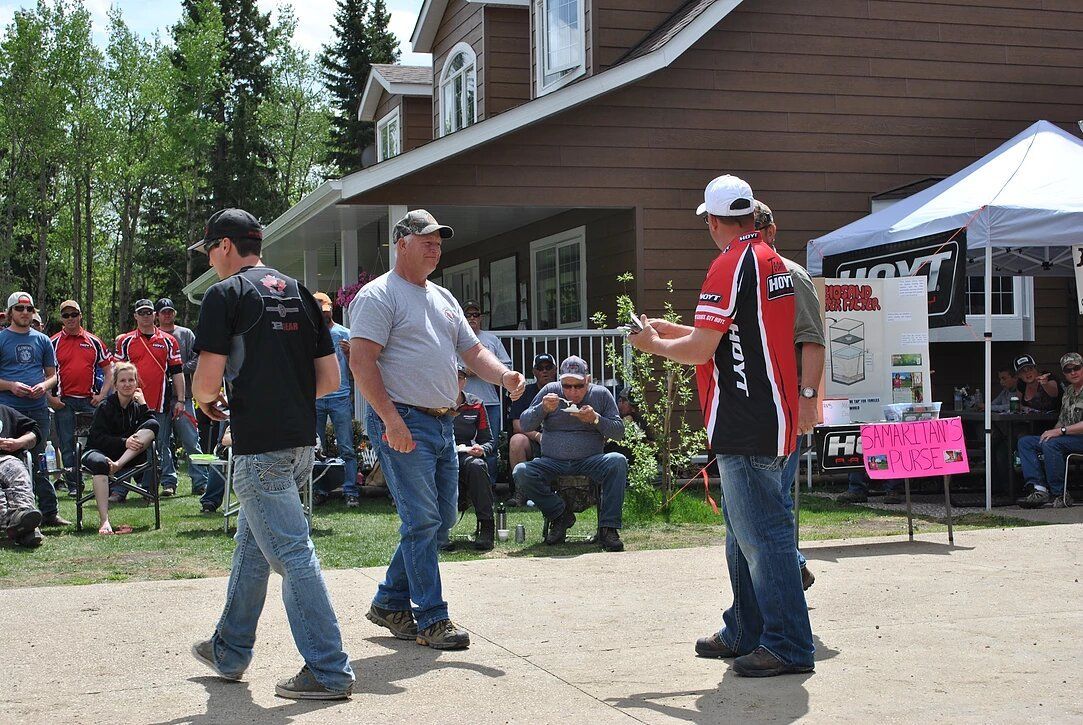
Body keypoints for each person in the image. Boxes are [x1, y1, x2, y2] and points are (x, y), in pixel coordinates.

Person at [629, 174, 814, 677]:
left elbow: (703, 351)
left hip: (746, 420)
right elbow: (736, 336)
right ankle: (748, 632)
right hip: (771, 414)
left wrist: (655, 346)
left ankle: (788, 644)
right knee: (746, 534)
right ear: (753, 215)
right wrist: (677, 332)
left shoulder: (728, 263)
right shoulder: (773, 261)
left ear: (712, 221)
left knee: (764, 537)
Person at [188, 207, 354, 699]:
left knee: (293, 554)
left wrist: (207, 399)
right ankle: (230, 649)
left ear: (223, 246)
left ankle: (328, 669)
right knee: (254, 545)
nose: (210, 263)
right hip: (302, 441)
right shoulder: (302, 293)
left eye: (210, 253)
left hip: (259, 446)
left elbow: (205, 380)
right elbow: (330, 380)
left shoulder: (224, 295)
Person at [349, 209, 525, 651]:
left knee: (442, 518)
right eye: (426, 239)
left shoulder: (443, 298)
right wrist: (390, 421)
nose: (436, 247)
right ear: (401, 242)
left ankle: (390, 600)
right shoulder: (378, 296)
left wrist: (503, 376)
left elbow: (472, 350)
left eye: (439, 241)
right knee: (422, 519)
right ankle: (431, 619)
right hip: (403, 419)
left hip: (443, 421)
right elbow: (361, 362)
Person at [755, 201, 824, 591]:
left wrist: (808, 400)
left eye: (758, 227)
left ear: (772, 231)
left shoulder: (792, 275)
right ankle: (789, 568)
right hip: (754, 407)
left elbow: (812, 341)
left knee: (775, 498)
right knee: (761, 501)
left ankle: (786, 577)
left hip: (786, 406)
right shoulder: (743, 272)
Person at [513, 356, 627, 551]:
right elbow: (524, 424)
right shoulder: (549, 392)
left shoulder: (601, 395)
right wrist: (542, 409)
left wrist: (596, 419)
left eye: (579, 386)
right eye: (567, 386)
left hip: (590, 460)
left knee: (617, 461)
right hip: (552, 461)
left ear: (588, 380)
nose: (572, 392)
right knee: (521, 471)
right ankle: (560, 514)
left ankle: (608, 528)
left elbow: (619, 432)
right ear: (560, 381)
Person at [0, 292, 69, 527]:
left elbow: (53, 376)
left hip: (38, 408)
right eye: (20, 309)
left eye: (29, 309)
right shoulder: (1, 339)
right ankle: (15, 513)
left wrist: (44, 386)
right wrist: (11, 386)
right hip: (8, 410)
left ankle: (49, 512)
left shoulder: (42, 340)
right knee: (12, 459)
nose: (25, 313)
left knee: (41, 460)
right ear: (10, 313)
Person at [114, 300, 184, 498]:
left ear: (154, 315)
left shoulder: (169, 340)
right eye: (141, 313)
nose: (145, 316)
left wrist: (180, 399)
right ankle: (121, 488)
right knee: (129, 444)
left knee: (160, 445)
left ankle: (157, 485)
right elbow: (116, 372)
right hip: (130, 404)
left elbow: (177, 371)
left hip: (159, 402)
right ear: (135, 316)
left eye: (148, 312)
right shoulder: (125, 341)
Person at [81, 362, 159, 535]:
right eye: (123, 380)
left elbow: (152, 426)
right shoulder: (105, 407)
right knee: (101, 464)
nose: (127, 384)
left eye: (131, 380)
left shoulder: (138, 406)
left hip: (126, 457)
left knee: (153, 424)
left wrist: (145, 404)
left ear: (137, 383)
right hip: (99, 451)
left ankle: (117, 464)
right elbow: (97, 439)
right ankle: (104, 521)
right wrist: (124, 442)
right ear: (115, 384)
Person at [49, 299, 113, 497]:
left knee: (96, 442)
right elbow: (43, 373)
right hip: (64, 401)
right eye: (66, 315)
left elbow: (109, 369)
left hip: (90, 400)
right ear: (61, 318)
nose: (70, 319)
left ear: (80, 316)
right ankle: (74, 485)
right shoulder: (52, 342)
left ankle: (101, 479)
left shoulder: (93, 341)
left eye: (73, 314)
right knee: (67, 444)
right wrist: (50, 399)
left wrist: (102, 394)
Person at [156, 298, 209, 496]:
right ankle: (168, 482)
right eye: (163, 312)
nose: (167, 315)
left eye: (170, 311)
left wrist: (178, 370)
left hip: (184, 396)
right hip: (159, 399)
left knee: (190, 440)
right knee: (162, 442)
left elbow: (199, 357)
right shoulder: (153, 335)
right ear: (157, 315)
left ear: (174, 314)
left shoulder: (185, 334)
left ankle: (200, 481)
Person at [1016, 352, 1083, 508]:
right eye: (1068, 370)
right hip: (1068, 438)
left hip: (1078, 438)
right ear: (1064, 374)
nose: (1073, 372)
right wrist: (1051, 432)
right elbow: (1062, 420)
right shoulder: (1068, 392)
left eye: (1077, 368)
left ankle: (1060, 493)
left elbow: (1064, 429)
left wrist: (1059, 432)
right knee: (1026, 442)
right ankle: (1039, 489)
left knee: (1051, 444)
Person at [312, 291, 359, 507]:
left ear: (331, 309)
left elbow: (357, 369)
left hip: (340, 397)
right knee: (316, 448)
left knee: (346, 446)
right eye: (320, 311)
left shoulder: (345, 333)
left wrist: (350, 354)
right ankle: (320, 489)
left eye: (326, 310)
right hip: (317, 397)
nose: (324, 315)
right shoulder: (309, 334)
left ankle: (350, 490)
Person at [459, 300, 513, 482]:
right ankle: (465, 489)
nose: (472, 318)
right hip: (462, 403)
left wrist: (486, 369)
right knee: (460, 445)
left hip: (490, 402)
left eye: (476, 315)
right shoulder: (456, 339)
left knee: (490, 446)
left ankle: (489, 487)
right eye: (468, 315)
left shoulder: (491, 340)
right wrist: (469, 371)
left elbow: (506, 365)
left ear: (480, 318)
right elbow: (449, 367)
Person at [448, 365, 496, 551]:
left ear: (464, 381)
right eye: (451, 377)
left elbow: (489, 440)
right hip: (439, 453)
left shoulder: (476, 404)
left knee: (477, 465)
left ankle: (486, 527)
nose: (456, 381)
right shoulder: (434, 403)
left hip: (465, 454)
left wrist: (481, 449)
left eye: (460, 377)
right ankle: (437, 532)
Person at [506, 353, 557, 505]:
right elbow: (517, 425)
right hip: (534, 440)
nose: (544, 371)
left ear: (555, 370)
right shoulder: (524, 393)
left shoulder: (565, 390)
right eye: (540, 368)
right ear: (534, 372)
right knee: (516, 440)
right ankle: (521, 492)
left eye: (548, 367)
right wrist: (537, 436)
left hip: (560, 440)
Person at [0, 401, 44, 547]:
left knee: (18, 472)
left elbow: (35, 430)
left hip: (6, 458)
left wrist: (19, 442)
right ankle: (25, 529)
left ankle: (25, 517)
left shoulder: (5, 411)